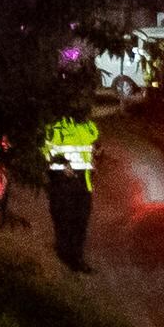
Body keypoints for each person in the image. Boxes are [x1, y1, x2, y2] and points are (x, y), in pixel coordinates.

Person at [38, 113, 100, 267]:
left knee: (80, 222)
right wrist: (60, 168)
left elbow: (97, 148)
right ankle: (64, 258)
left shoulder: (88, 127)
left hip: (84, 183)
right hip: (62, 182)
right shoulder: (56, 127)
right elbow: (45, 153)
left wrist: (96, 158)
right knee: (64, 220)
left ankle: (76, 259)